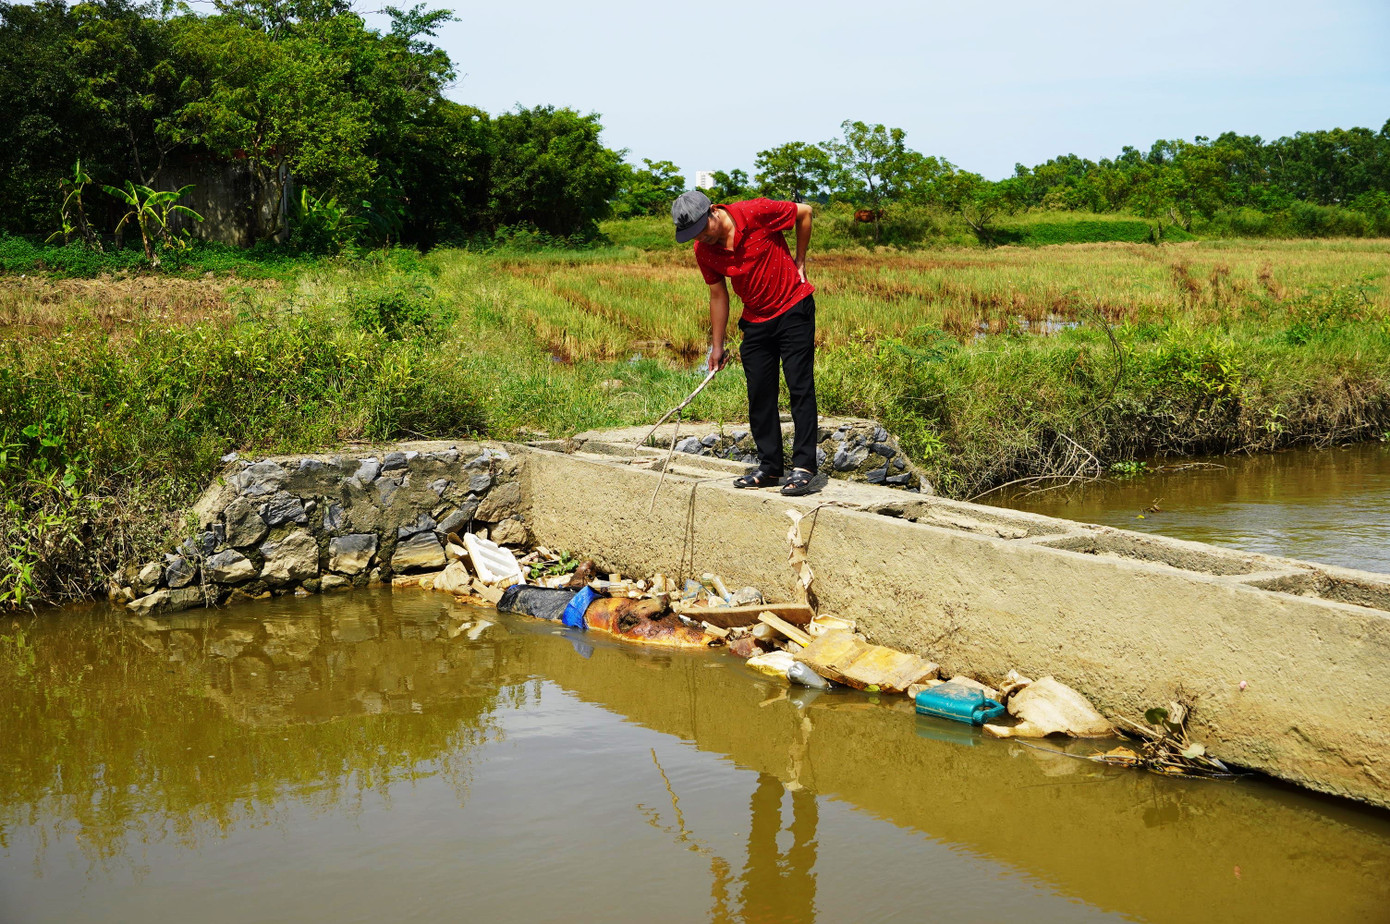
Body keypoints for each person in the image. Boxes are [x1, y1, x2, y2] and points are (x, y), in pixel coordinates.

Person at [672, 190, 819, 497]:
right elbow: (718, 295)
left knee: (799, 387)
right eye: (693, 234)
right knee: (759, 394)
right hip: (755, 320)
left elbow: (804, 213)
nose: (700, 238)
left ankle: (804, 468)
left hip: (793, 307)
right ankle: (770, 467)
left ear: (713, 211)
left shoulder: (756, 212)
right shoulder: (704, 250)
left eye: (702, 229)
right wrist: (717, 346)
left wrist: (800, 261)